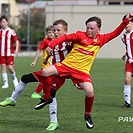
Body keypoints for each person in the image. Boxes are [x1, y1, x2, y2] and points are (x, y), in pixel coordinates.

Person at [0, 13, 133, 130]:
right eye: (87, 27)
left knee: (90, 91)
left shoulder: (100, 40)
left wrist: (126, 21)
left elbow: (116, 32)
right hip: (65, 67)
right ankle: (44, 100)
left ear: (98, 29)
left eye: (92, 28)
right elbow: (63, 38)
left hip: (81, 72)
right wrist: (51, 46)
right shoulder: (79, 35)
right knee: (44, 73)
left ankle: (87, 115)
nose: (88, 30)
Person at [0, 19, 73, 131]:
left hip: (60, 74)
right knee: (25, 78)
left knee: (51, 95)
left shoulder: (69, 42)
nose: (55, 32)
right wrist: (46, 59)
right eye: (54, 30)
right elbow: (50, 52)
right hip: (49, 70)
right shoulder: (53, 42)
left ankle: (54, 122)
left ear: (65, 31)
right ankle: (12, 99)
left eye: (58, 30)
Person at [30, 25, 54, 99]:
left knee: (49, 79)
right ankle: (36, 93)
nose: (51, 34)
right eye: (49, 32)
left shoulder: (56, 40)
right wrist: (34, 61)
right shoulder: (45, 41)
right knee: (46, 78)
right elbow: (38, 50)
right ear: (46, 33)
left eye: (52, 32)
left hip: (52, 62)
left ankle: (45, 93)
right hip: (45, 62)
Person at [0, 15, 19, 88]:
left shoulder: (11, 31)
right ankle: (6, 84)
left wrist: (16, 50)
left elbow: (16, 41)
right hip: (1, 53)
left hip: (9, 53)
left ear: (7, 22)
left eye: (3, 22)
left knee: (10, 67)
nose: (2, 24)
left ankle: (15, 80)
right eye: (1, 22)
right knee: (3, 67)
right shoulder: (0, 31)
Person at [120, 14, 133, 108]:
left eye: (128, 22)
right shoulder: (123, 36)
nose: (126, 25)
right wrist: (126, 54)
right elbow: (129, 47)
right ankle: (127, 102)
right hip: (129, 61)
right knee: (127, 80)